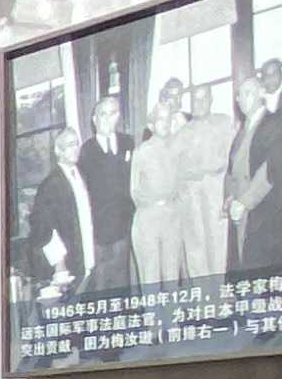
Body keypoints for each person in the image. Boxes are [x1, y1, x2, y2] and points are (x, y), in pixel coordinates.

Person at [23, 86, 139, 296]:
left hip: (90, 252)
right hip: (69, 261)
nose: (75, 149)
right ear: (58, 150)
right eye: (69, 145)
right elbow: (43, 229)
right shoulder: (52, 184)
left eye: (76, 144)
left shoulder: (78, 174)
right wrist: (59, 264)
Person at [128, 76, 203, 286]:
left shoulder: (177, 147)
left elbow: (183, 177)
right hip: (149, 218)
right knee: (150, 278)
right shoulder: (142, 151)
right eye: (160, 119)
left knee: (172, 276)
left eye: (168, 119)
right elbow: (135, 190)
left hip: (174, 216)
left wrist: (173, 204)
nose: (165, 123)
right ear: (152, 124)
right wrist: (154, 204)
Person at [233, 59, 282, 274]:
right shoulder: (241, 131)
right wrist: (229, 197)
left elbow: (271, 168)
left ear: (260, 94)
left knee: (268, 272)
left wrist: (245, 202)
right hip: (244, 213)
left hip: (267, 210)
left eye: (248, 93)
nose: (242, 99)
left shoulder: (275, 122)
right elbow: (232, 170)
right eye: (239, 95)